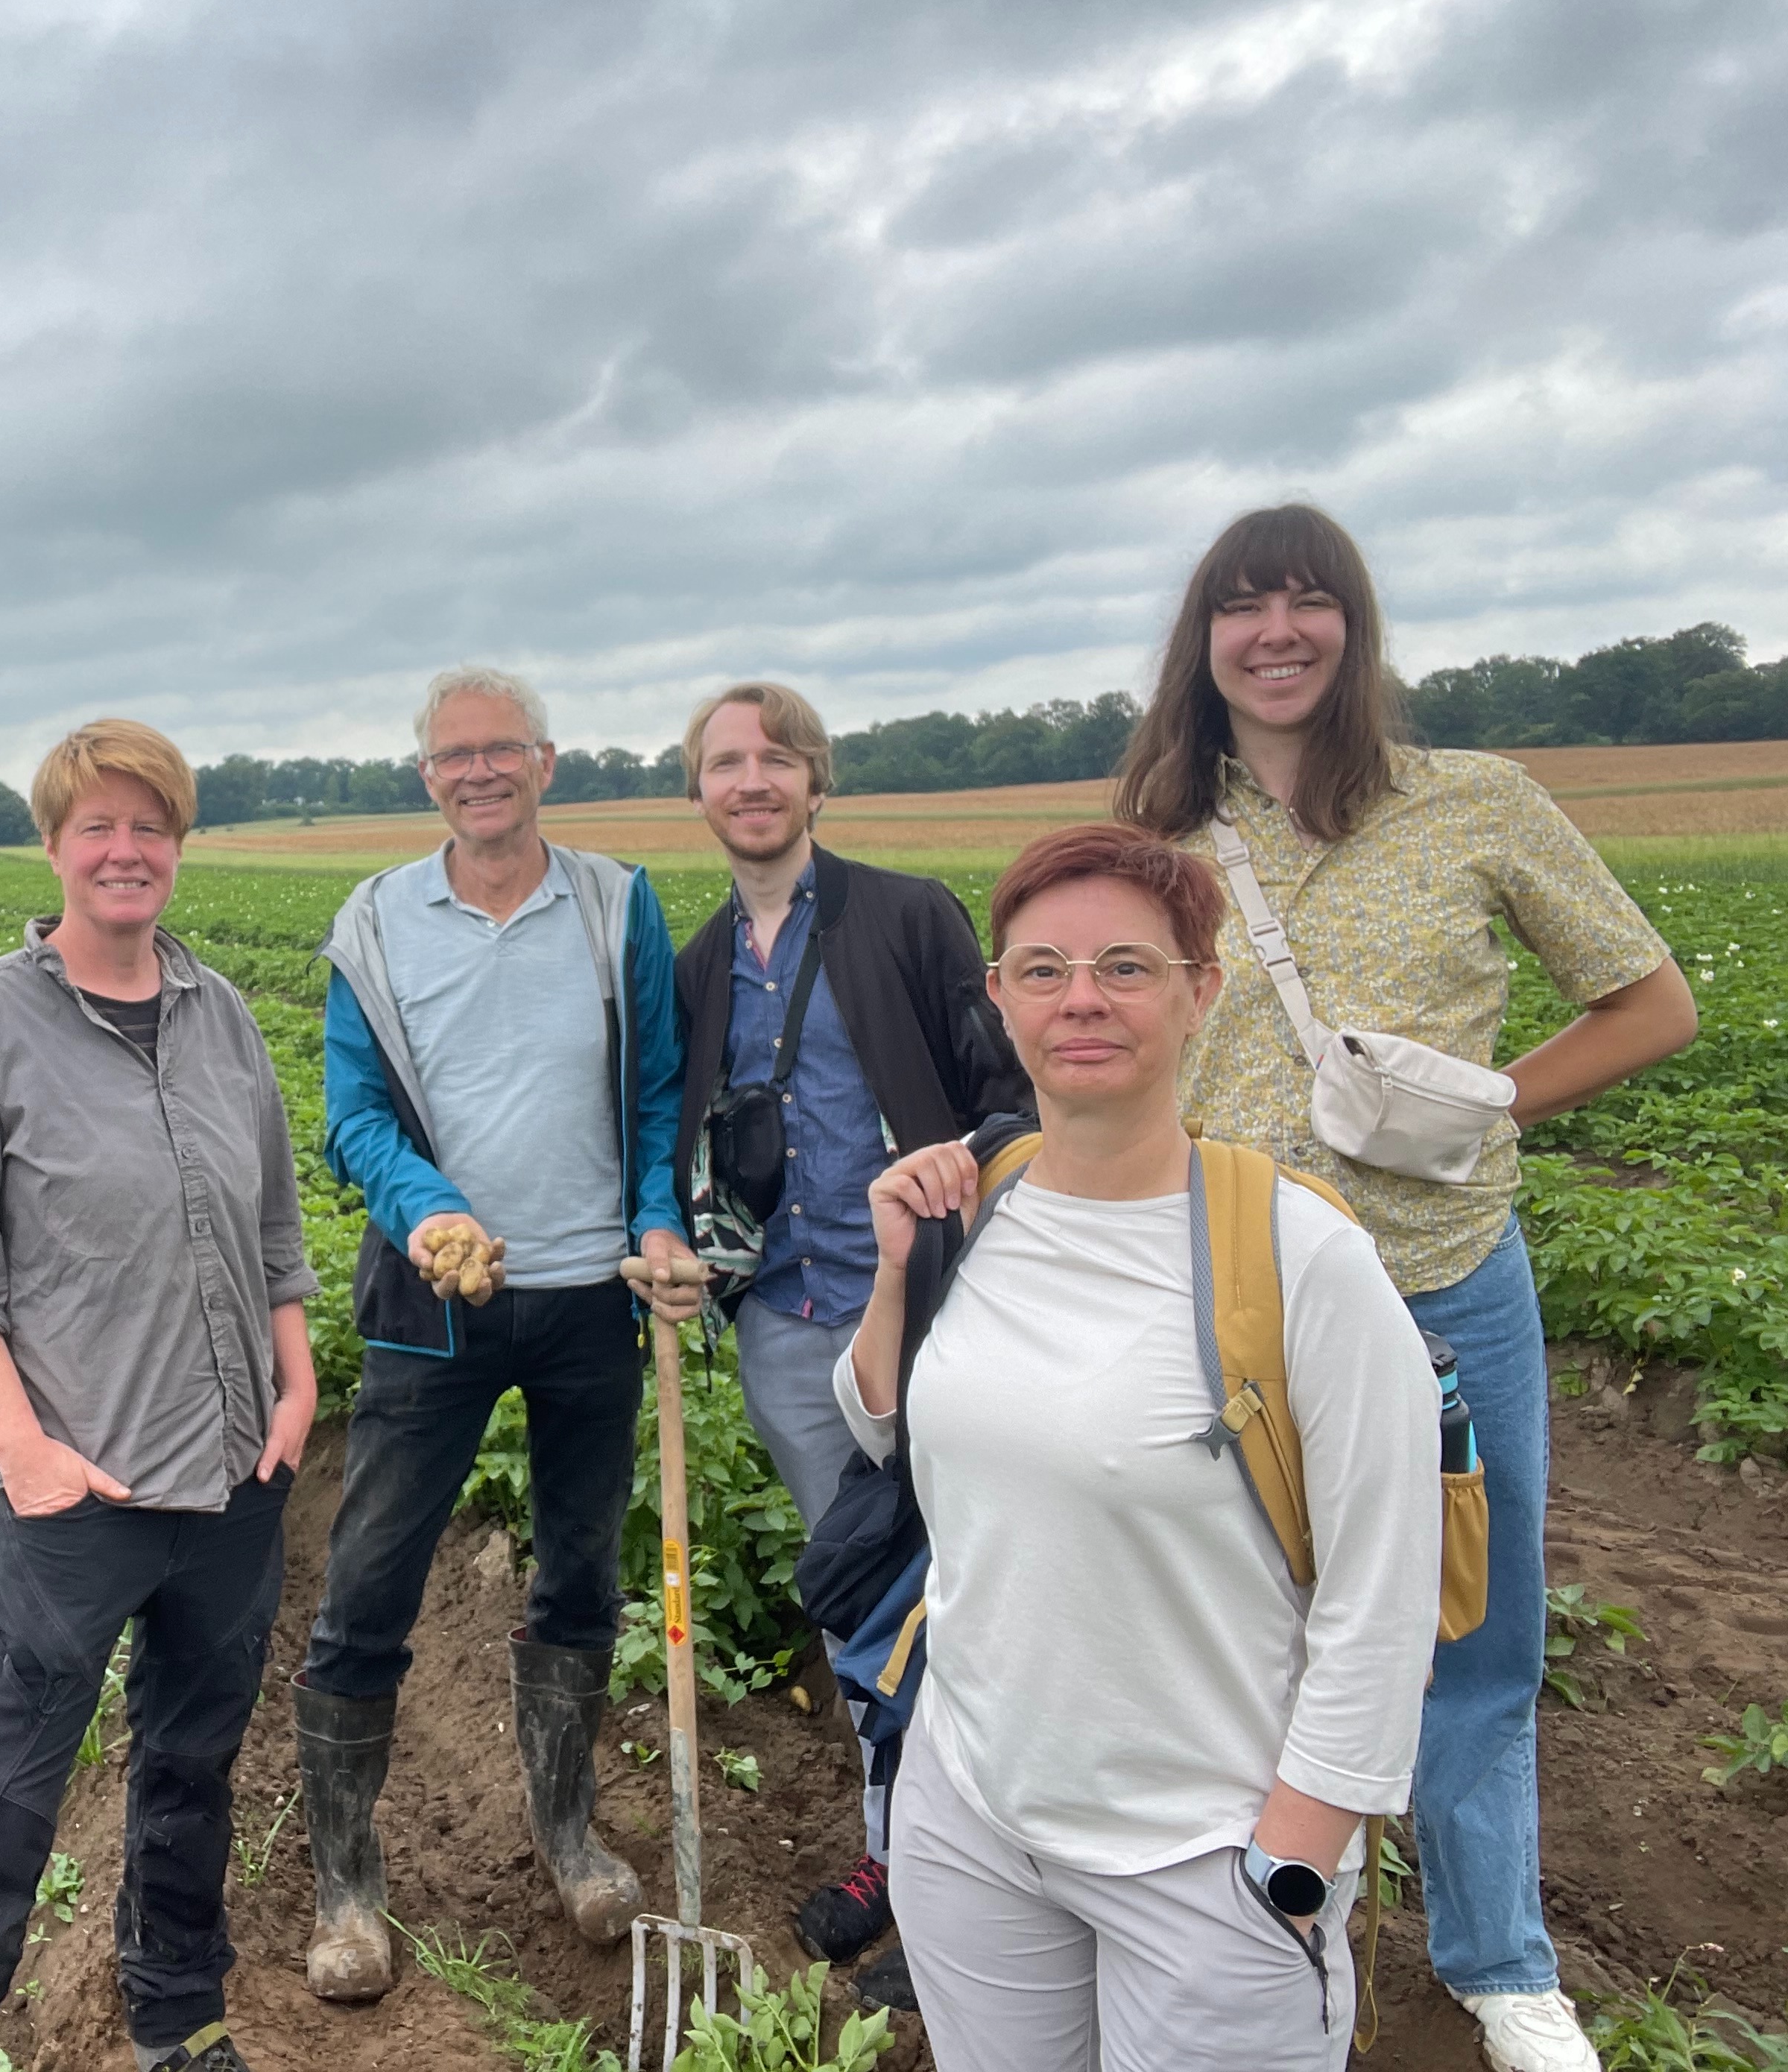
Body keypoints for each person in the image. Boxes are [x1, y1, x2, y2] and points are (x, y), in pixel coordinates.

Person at [1114, 504, 1696, 2072]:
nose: (1279, 632)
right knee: (1249, 1622)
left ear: (1355, 630)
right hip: (1235, 1302)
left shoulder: (1475, 804)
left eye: (1310, 602)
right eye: (1245, 607)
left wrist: (1492, 1100)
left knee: (1476, 1632)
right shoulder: (1161, 834)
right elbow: (1104, 1033)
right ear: (1207, 642)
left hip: (1446, 1288)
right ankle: (1275, 1913)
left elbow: (1653, 1003)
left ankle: (1500, 1963)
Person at [838, 824, 1444, 2071]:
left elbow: (1387, 1590)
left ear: (1199, 991)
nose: (1083, 1000)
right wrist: (899, 1273)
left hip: (1202, 1854)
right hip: (974, 1821)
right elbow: (887, 1429)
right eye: (1044, 969)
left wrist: (1293, 1857)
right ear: (999, 997)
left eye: (1127, 966)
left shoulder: (1300, 1257)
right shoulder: (981, 1201)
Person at [0, 721, 318, 2072]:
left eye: (150, 826)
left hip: (232, 1482)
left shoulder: (219, 1014)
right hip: (77, 1499)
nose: (126, 850)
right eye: (97, 828)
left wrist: (295, 1380)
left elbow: (274, 1228)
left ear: (178, 846)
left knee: (191, 1772)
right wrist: (25, 1452)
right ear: (53, 849)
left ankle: (178, 2018)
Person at [294, 665, 697, 2003]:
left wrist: (653, 1218)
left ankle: (569, 1831)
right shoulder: (373, 921)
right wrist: (431, 1213)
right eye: (455, 755)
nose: (480, 772)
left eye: (503, 751)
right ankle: (348, 1883)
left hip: (591, 1297)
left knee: (582, 1570)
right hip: (432, 1302)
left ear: (546, 762)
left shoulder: (615, 901)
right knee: (368, 1583)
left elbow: (654, 1088)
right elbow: (355, 1117)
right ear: (428, 776)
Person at [668, 681, 1026, 2006]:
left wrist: (962, 1181)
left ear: (819, 783)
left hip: (940, 1317)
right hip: (788, 1330)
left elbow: (1009, 1098)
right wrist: (674, 1244)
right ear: (698, 793)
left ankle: (993, 1878)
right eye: (724, 763)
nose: (750, 781)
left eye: (776, 759)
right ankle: (903, 1851)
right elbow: (680, 1137)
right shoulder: (698, 963)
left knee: (986, 1586)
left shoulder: (910, 917)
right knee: (867, 1595)